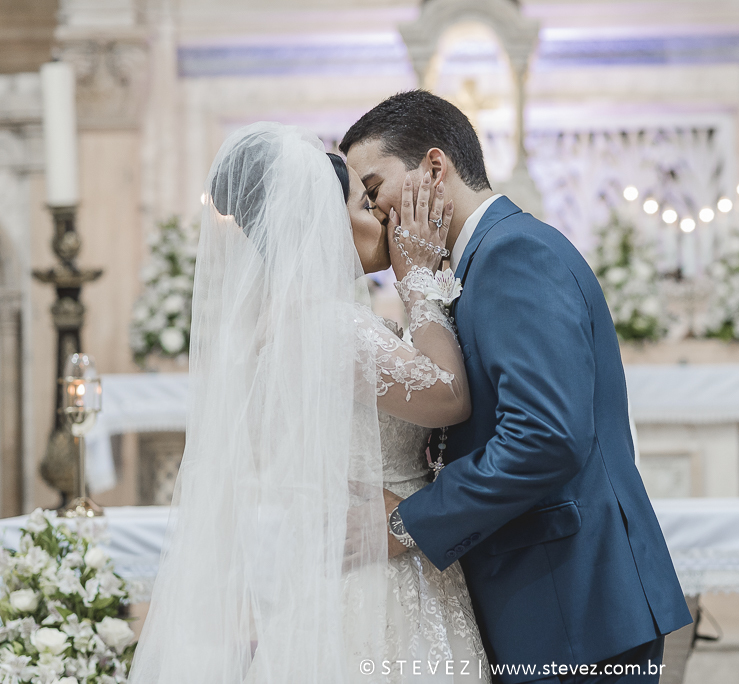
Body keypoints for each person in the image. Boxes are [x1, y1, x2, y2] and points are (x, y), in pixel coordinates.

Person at [342, 90, 692, 684]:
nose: (372, 212)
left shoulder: (513, 254)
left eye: (374, 190)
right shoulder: (471, 263)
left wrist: (408, 521)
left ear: (433, 167)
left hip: (572, 599)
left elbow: (545, 438)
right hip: (543, 592)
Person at [130, 122, 489, 682]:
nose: (384, 215)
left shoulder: (281, 322)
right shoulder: (328, 324)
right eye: (365, 201)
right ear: (327, 220)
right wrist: (417, 279)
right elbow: (447, 395)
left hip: (355, 557)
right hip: (383, 574)